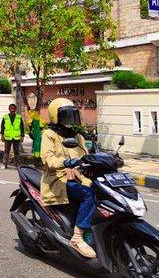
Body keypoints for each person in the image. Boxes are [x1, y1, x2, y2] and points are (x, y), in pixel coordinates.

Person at [40, 98, 97, 259]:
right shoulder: (49, 135)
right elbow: (48, 160)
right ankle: (77, 237)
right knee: (88, 194)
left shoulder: (77, 136)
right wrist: (65, 162)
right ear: (56, 117)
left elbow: (85, 155)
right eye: (66, 116)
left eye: (72, 116)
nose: (70, 120)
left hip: (77, 177)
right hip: (57, 179)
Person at [0, 103, 24, 169]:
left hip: (16, 137)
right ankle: (4, 164)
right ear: (9, 109)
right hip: (8, 137)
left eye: (14, 109)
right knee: (6, 151)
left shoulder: (19, 117)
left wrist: (22, 136)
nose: (12, 110)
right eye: (11, 108)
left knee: (16, 151)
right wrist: (2, 136)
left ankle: (18, 164)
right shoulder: (5, 117)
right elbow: (2, 127)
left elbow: (22, 127)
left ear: (15, 109)